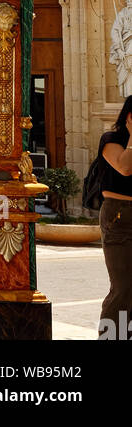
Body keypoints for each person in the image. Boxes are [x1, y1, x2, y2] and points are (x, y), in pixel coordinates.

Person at [97, 95, 132, 337]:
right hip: (119, 218)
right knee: (123, 288)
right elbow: (125, 167)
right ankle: (110, 337)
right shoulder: (111, 140)